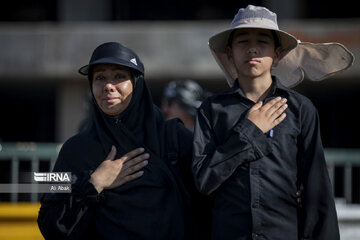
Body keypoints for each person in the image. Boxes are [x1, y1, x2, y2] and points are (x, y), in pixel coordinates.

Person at [192, 5, 340, 240]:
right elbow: (203, 181)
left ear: (278, 54)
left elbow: (317, 189)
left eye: (262, 41)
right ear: (229, 53)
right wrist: (249, 132)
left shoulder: (300, 109)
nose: (252, 48)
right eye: (243, 41)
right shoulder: (211, 110)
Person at [37, 42, 196, 240]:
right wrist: (93, 184)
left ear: (136, 84)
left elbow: (209, 208)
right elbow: (47, 222)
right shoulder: (73, 149)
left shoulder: (175, 137)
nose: (108, 86)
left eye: (119, 76)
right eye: (100, 78)